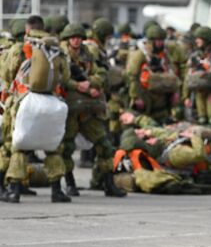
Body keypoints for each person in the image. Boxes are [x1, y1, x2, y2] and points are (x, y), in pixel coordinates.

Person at [0, 15, 70, 203]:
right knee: (52, 148)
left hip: (26, 102)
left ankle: (14, 190)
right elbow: (65, 76)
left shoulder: (19, 48)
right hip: (51, 102)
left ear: (28, 29)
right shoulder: (55, 49)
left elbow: (6, 73)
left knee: (19, 147)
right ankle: (57, 191)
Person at [59, 23, 126, 197]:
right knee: (66, 147)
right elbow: (61, 79)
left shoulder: (87, 54)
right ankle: (70, 183)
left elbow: (101, 74)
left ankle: (108, 183)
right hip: (71, 108)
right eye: (72, 38)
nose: (76, 40)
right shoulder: (61, 54)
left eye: (79, 37)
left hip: (88, 108)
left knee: (104, 145)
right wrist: (78, 85)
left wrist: (90, 84)